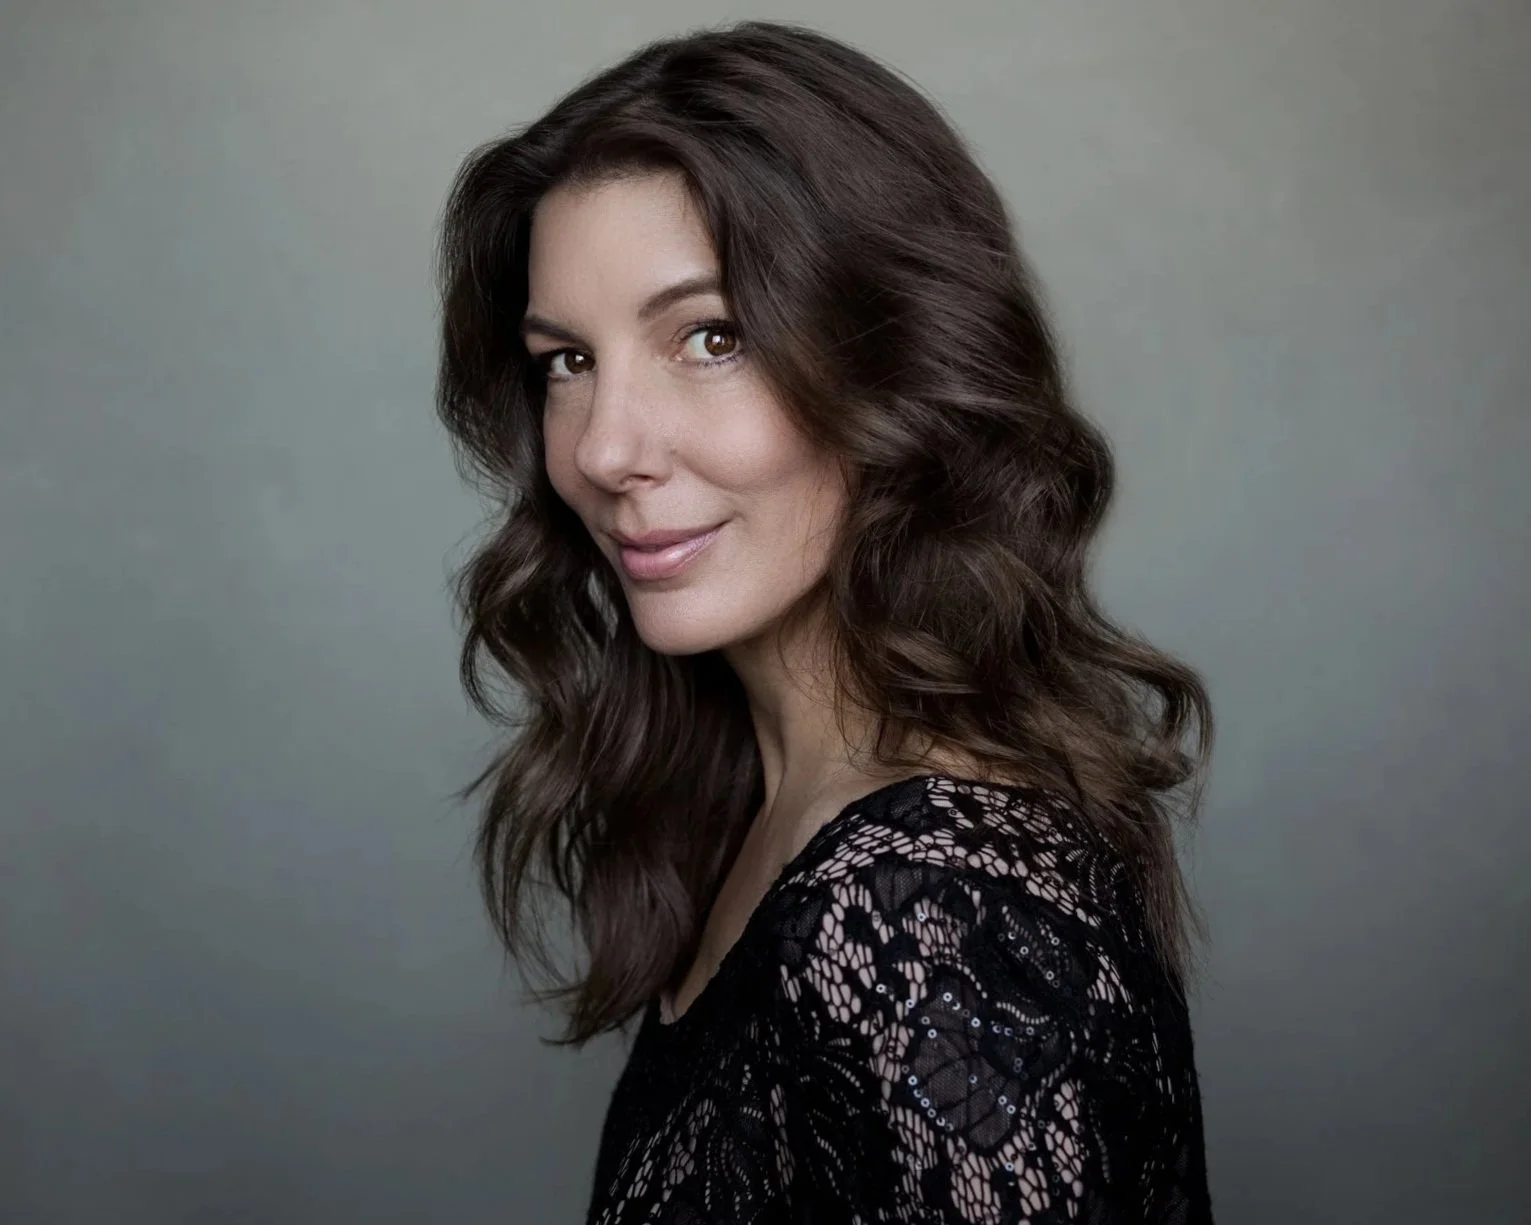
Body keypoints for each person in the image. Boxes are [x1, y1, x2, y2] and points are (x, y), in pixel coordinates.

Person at [434, 18, 1215, 1224]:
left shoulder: (942, 912)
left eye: (711, 337)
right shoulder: (766, 815)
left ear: (894, 356)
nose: (603, 449)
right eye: (565, 362)